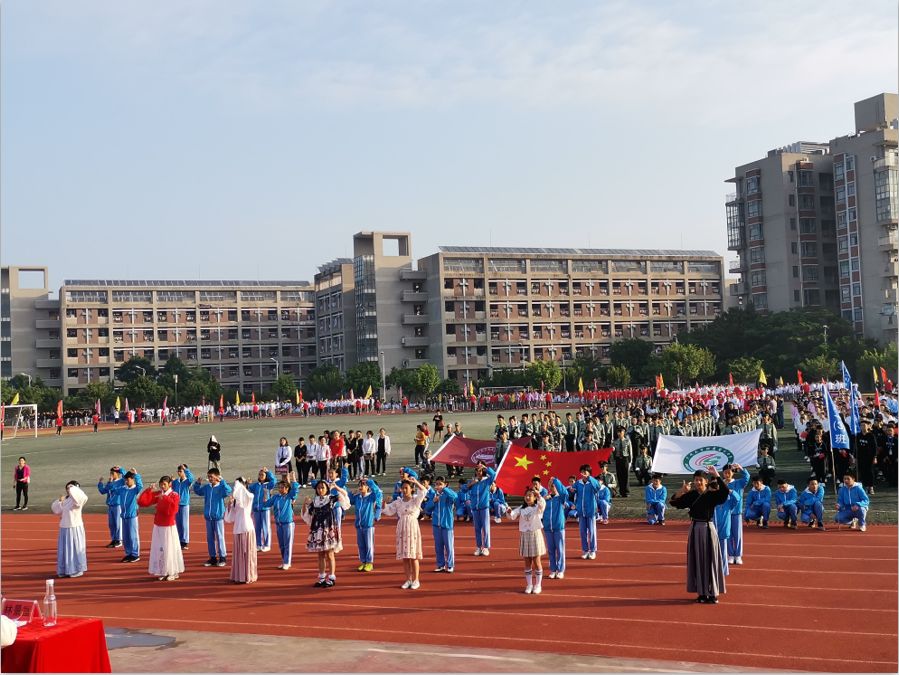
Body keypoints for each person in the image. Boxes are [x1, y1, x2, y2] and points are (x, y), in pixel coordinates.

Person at [669, 467, 729, 604]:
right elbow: (674, 503)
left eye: (700, 480)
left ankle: (712, 593)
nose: (698, 483)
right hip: (695, 528)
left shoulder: (712, 495)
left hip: (708, 529)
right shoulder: (691, 495)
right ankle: (701, 593)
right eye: (695, 480)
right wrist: (681, 491)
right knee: (698, 562)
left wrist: (717, 476)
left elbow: (725, 493)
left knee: (710, 561)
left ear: (706, 481)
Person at [301, 478, 350, 587]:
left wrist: (336, 487)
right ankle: (322, 577)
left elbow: (346, 498)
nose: (320, 489)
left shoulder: (332, 498)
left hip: (328, 529)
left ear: (327, 488)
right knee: (320, 554)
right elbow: (307, 517)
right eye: (318, 488)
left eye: (322, 487)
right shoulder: (315, 502)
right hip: (318, 530)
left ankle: (331, 577)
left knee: (330, 554)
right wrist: (305, 504)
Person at [381, 475, 428, 589]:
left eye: (406, 488)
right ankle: (408, 579)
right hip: (402, 528)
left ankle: (416, 580)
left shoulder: (415, 500)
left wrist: (415, 482)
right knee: (405, 556)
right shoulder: (398, 502)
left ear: (411, 489)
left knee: (413, 556)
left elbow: (424, 491)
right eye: (403, 488)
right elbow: (388, 511)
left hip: (412, 527)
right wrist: (384, 503)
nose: (404, 490)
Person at [137, 476, 184, 581]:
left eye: (165, 484)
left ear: (170, 484)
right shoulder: (159, 494)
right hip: (158, 525)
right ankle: (163, 570)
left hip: (168, 526)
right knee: (160, 549)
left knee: (169, 549)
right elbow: (142, 502)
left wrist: (165, 498)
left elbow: (173, 510)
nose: (162, 487)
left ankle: (172, 571)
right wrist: (148, 490)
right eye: (161, 484)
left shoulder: (174, 495)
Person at [509, 488, 547, 594]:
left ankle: (538, 585)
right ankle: (529, 584)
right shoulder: (521, 508)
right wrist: (508, 511)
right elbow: (512, 515)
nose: (528, 497)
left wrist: (539, 495)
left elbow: (542, 505)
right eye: (526, 495)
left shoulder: (537, 508)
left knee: (536, 561)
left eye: (530, 495)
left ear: (534, 497)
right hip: (525, 535)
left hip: (535, 534)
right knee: (527, 561)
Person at [192, 469, 233, 567]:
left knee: (220, 537)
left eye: (211, 476)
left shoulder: (221, 487)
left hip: (218, 517)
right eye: (208, 476)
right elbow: (197, 491)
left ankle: (222, 557)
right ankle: (213, 558)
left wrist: (222, 481)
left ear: (217, 477)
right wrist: (197, 483)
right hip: (208, 517)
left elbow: (228, 491)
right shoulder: (207, 487)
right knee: (210, 538)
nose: (209, 478)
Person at [262, 476, 301, 570]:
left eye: (282, 487)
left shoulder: (289, 497)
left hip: (288, 524)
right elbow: (266, 504)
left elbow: (295, 490)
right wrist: (265, 497)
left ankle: (287, 562)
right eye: (279, 487)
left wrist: (294, 479)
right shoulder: (276, 497)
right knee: (282, 544)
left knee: (288, 544)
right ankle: (284, 560)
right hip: (279, 524)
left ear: (287, 489)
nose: (280, 489)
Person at [52, 480, 89, 578]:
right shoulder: (66, 500)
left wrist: (73, 488)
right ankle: (65, 570)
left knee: (75, 549)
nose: (68, 490)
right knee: (64, 550)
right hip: (64, 528)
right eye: (67, 488)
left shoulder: (78, 500)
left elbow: (82, 497)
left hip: (74, 528)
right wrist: (60, 500)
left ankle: (77, 569)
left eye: (70, 488)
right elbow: (56, 510)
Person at [224, 477, 257, 584]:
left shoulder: (249, 497)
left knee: (247, 553)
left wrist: (240, 486)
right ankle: (239, 576)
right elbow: (229, 518)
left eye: (236, 486)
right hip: (237, 529)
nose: (235, 489)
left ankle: (248, 575)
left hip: (247, 529)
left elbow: (246, 495)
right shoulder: (235, 502)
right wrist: (229, 506)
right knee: (239, 554)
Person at [348, 476, 382, 572]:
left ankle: (369, 563)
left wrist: (369, 482)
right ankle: (363, 562)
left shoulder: (371, 497)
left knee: (369, 545)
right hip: (359, 526)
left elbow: (378, 493)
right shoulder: (357, 498)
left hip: (368, 525)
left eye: (363, 485)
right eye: (360, 485)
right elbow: (349, 501)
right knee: (361, 545)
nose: (361, 486)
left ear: (367, 487)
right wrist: (351, 494)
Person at [425, 475, 457, 573]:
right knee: (438, 546)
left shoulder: (448, 494)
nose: (438, 486)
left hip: (446, 525)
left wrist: (445, 489)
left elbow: (455, 497)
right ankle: (440, 565)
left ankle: (450, 565)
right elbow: (427, 509)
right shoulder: (434, 495)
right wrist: (433, 501)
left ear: (445, 485)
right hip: (436, 525)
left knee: (449, 546)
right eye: (437, 484)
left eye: (440, 484)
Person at [111, 469, 143, 563]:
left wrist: (136, 474)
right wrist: (112, 482)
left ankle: (135, 554)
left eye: (128, 480)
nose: (126, 481)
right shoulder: (122, 489)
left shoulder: (135, 489)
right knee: (126, 537)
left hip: (132, 516)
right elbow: (113, 490)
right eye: (125, 480)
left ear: (132, 480)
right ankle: (128, 553)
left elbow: (140, 486)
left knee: (133, 536)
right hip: (124, 516)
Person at [466, 462, 497, 556]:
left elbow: (494, 474)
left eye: (480, 470)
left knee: (485, 528)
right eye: (477, 470)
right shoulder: (473, 482)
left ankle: (486, 547)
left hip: (484, 508)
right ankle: (479, 547)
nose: (478, 472)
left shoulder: (487, 481)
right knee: (477, 528)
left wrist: (485, 467)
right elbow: (464, 489)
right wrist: (471, 483)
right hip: (475, 508)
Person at [721, 463, 749, 566]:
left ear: (733, 473)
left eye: (729, 472)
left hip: (736, 512)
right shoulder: (721, 484)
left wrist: (740, 468)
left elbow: (747, 477)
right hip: (725, 513)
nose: (727, 474)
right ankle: (731, 555)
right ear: (723, 473)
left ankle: (738, 555)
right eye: (725, 472)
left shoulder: (738, 483)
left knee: (737, 535)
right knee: (728, 534)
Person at [542, 477, 569, 579]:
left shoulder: (560, 498)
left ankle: (560, 570)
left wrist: (556, 480)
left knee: (560, 549)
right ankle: (553, 570)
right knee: (551, 550)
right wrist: (543, 499)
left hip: (558, 527)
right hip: (548, 527)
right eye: (550, 485)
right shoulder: (545, 499)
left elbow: (564, 491)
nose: (552, 487)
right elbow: (536, 505)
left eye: (553, 486)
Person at [574, 464, 602, 559]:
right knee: (582, 532)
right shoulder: (578, 483)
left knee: (592, 531)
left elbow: (598, 487)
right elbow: (573, 490)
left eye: (585, 472)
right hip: (581, 511)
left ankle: (593, 550)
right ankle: (585, 550)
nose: (583, 474)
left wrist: (590, 478)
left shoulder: (592, 483)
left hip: (590, 511)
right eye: (582, 472)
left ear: (589, 473)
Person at [248, 468, 277, 552]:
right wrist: (247, 483)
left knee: (266, 527)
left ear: (266, 476)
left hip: (265, 509)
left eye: (262, 475)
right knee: (257, 528)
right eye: (259, 475)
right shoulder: (255, 485)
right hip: (256, 509)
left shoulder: (268, 485)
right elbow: (248, 489)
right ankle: (258, 544)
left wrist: (268, 472)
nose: (260, 476)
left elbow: (274, 480)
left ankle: (267, 544)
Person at [97, 466, 124, 547]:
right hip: (110, 506)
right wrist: (100, 483)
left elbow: (126, 476)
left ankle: (119, 540)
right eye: (110, 473)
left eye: (113, 473)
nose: (111, 475)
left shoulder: (121, 481)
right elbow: (103, 491)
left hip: (117, 505)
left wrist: (121, 469)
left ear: (118, 474)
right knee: (111, 524)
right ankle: (114, 539)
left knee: (118, 523)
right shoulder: (110, 482)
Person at [172, 464, 195, 550]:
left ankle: (184, 541)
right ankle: (179, 540)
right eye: (178, 471)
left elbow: (191, 478)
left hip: (185, 504)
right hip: (176, 504)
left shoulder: (187, 481)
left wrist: (186, 470)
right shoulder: (175, 482)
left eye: (181, 471)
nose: (179, 473)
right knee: (178, 523)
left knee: (184, 523)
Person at [611, 427, 633, 497]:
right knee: (619, 475)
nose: (619, 433)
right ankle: (621, 491)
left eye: (621, 432)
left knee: (626, 476)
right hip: (618, 459)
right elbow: (613, 453)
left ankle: (626, 491)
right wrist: (612, 449)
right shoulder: (615, 441)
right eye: (618, 432)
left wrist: (630, 461)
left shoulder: (627, 441)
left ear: (624, 433)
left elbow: (630, 452)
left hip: (625, 459)